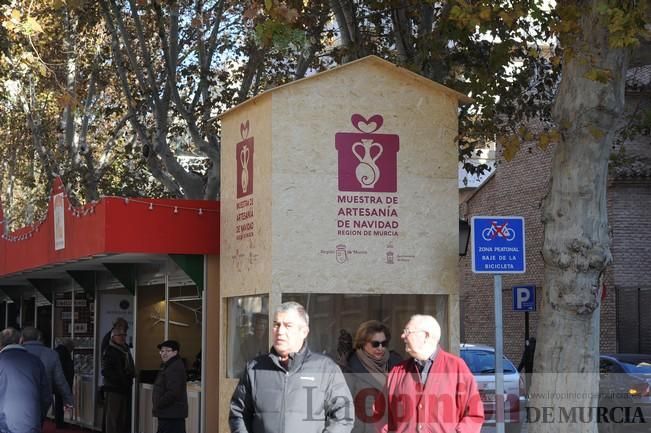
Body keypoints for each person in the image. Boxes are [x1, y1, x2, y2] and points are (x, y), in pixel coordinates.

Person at [229, 301, 354, 433]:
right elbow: (238, 414)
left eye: (288, 325)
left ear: (304, 331)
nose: (280, 331)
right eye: (276, 325)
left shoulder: (326, 369)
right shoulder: (254, 368)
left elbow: (343, 417)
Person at [379, 315, 484, 433]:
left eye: (407, 332)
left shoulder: (456, 368)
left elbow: (474, 414)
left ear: (426, 336)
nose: (403, 336)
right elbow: (380, 413)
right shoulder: (397, 372)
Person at [343, 320, 402, 433]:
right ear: (363, 343)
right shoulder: (350, 369)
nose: (380, 348)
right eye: (375, 344)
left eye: (383, 344)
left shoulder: (397, 364)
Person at [0, 327, 52, 433]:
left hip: (3, 424)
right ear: (21, 340)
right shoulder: (36, 362)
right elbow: (46, 397)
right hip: (30, 423)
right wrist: (37, 417)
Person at [21, 327, 74, 418]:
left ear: (22, 338)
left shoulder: (15, 353)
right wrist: (68, 399)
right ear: (39, 337)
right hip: (44, 398)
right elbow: (60, 380)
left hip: (20, 397)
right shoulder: (51, 354)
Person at [102, 324, 135, 433]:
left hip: (124, 389)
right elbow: (106, 371)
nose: (123, 337)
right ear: (113, 336)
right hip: (114, 389)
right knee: (113, 419)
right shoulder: (110, 351)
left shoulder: (125, 350)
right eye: (120, 335)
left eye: (124, 335)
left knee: (122, 418)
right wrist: (121, 379)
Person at [153, 340, 188, 433]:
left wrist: (159, 403)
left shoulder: (174, 367)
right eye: (162, 351)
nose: (164, 354)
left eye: (168, 351)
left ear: (175, 352)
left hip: (171, 415)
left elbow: (173, 392)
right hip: (169, 414)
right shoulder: (168, 365)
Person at [55, 338, 75, 428]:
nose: (71, 351)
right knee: (60, 402)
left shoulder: (57, 352)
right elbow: (65, 370)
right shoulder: (64, 354)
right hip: (62, 382)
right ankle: (60, 422)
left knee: (58, 402)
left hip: (57, 381)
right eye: (72, 349)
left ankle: (59, 421)